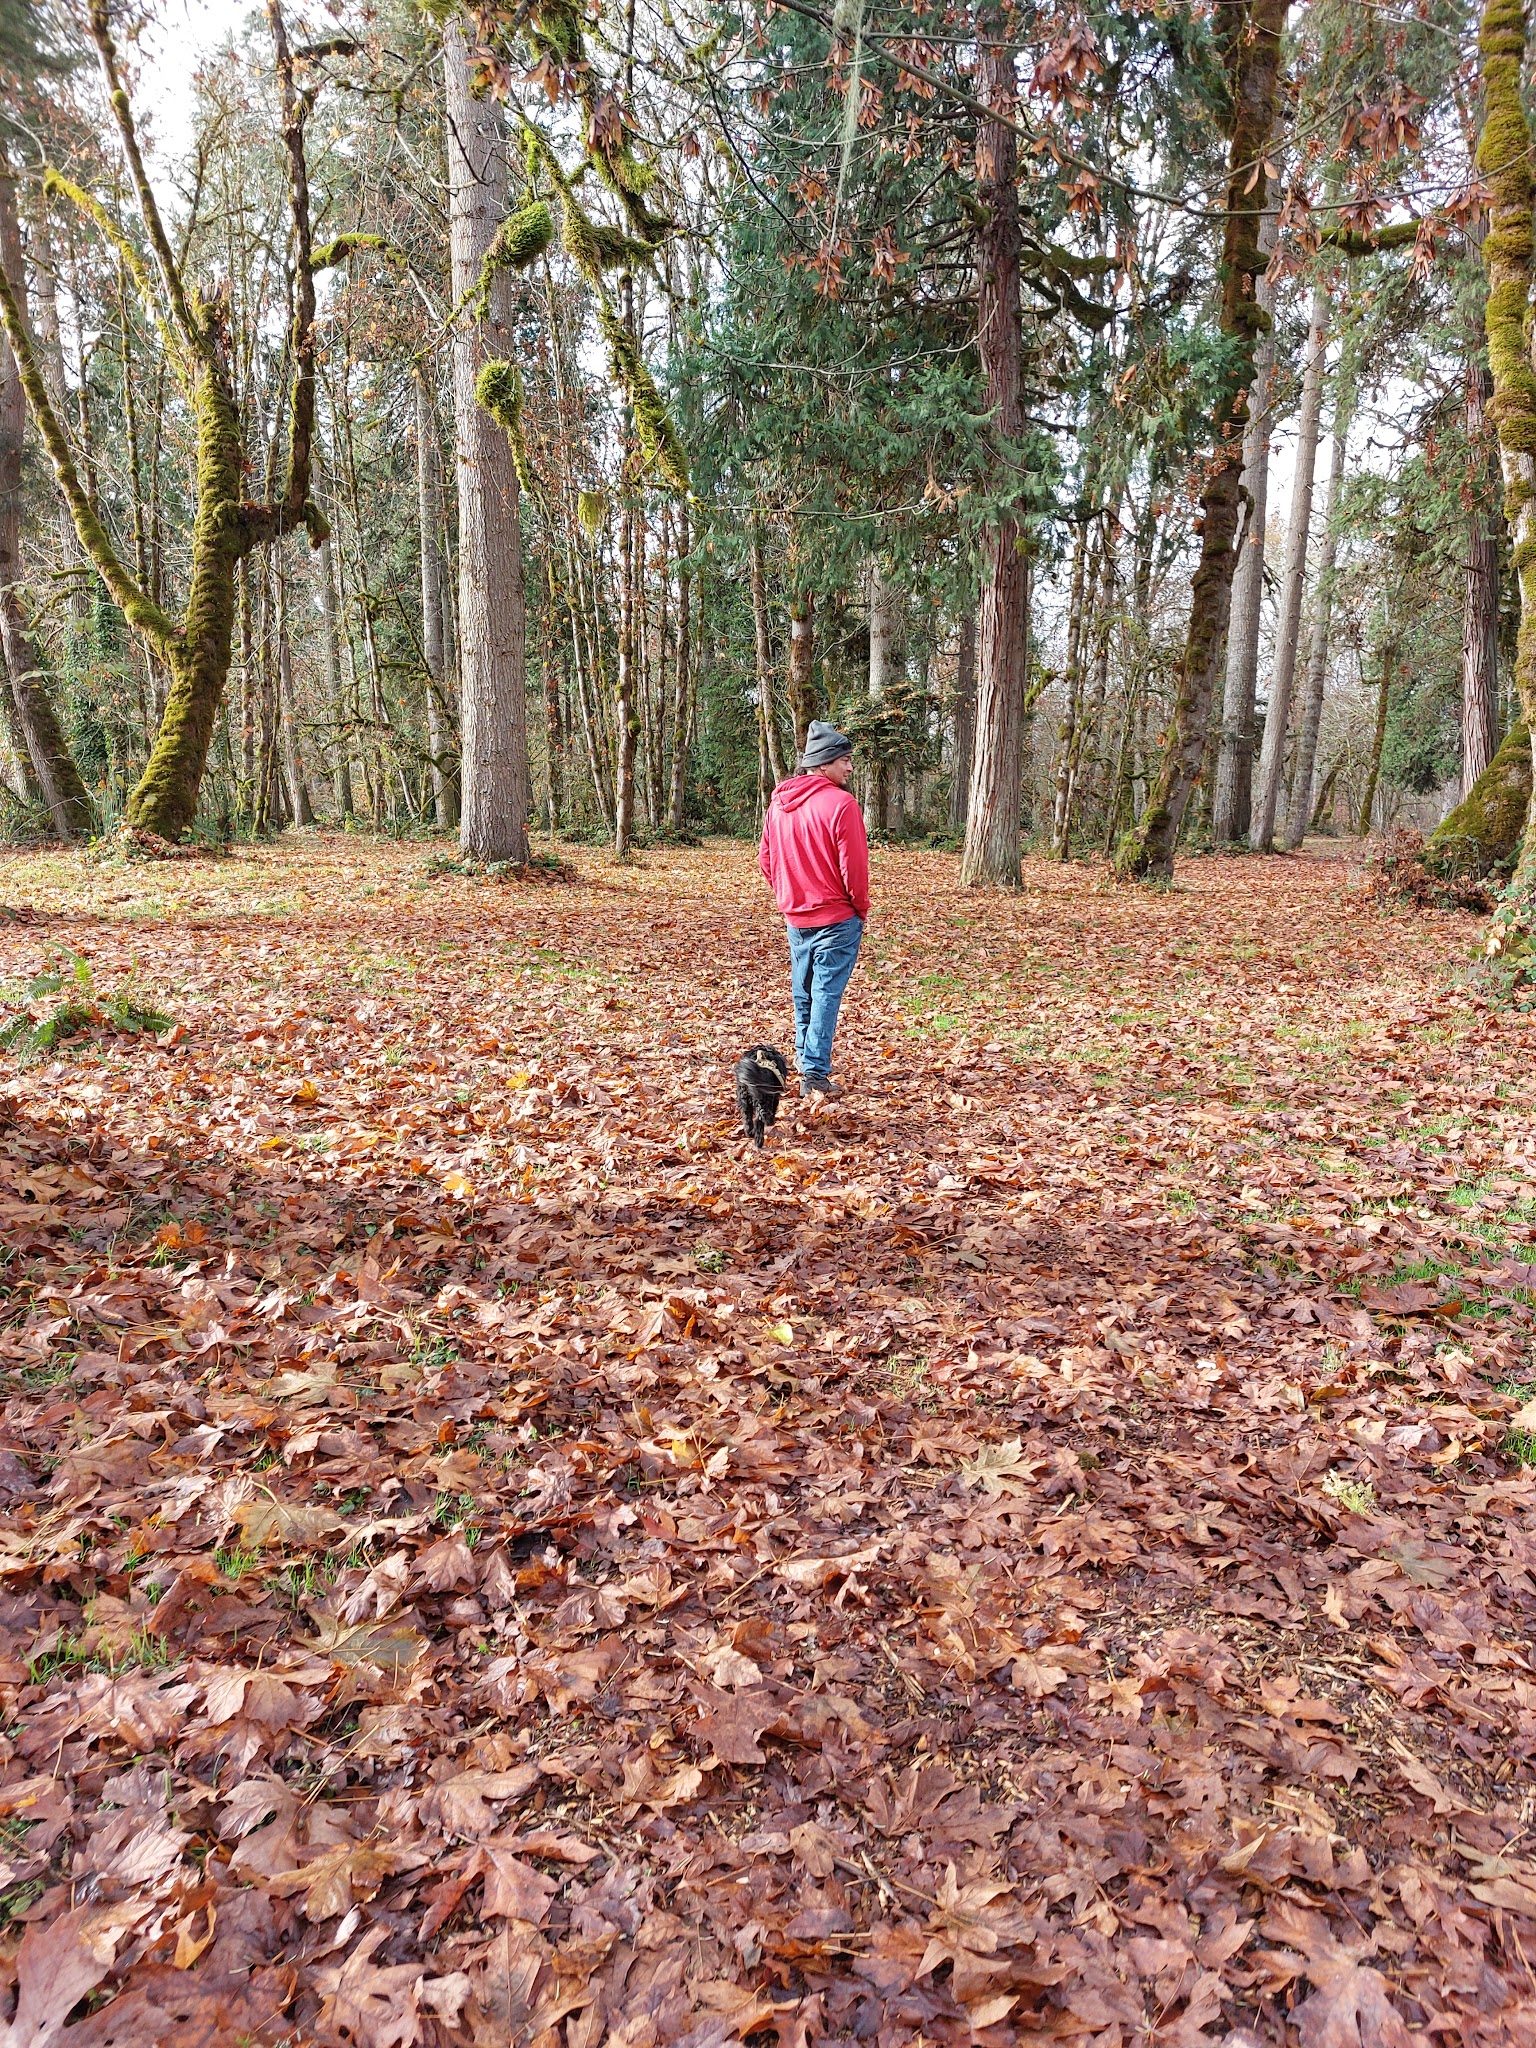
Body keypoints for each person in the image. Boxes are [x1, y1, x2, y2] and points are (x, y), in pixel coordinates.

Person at [757, 720, 869, 1097]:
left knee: (804, 994)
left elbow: (766, 860)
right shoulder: (842, 805)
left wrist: (790, 894)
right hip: (837, 916)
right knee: (824, 995)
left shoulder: (779, 803)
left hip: (796, 917)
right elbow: (853, 869)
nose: (850, 768)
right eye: (845, 761)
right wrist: (860, 908)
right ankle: (815, 1075)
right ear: (824, 764)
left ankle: (808, 1066)